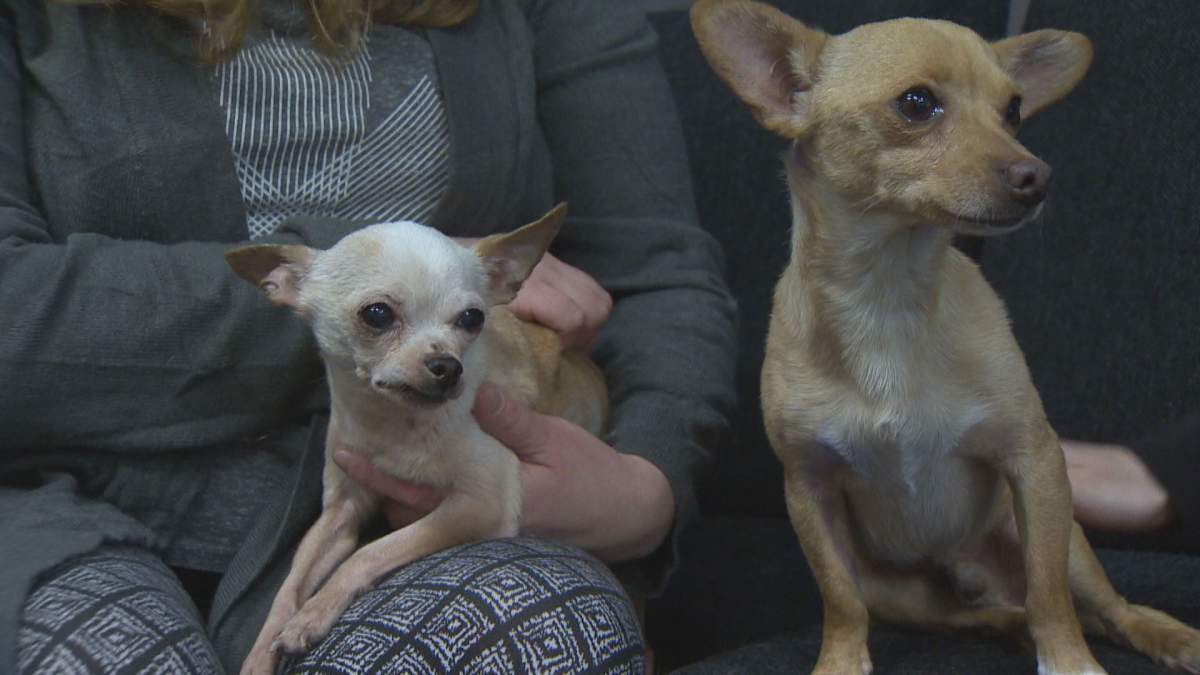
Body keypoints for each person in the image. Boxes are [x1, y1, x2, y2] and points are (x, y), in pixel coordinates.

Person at [0, 1, 738, 672]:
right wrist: (388, 265)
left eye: (464, 316)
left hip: (431, 511)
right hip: (59, 509)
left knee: (541, 627)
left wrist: (648, 485)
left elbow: (657, 277)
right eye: (379, 313)